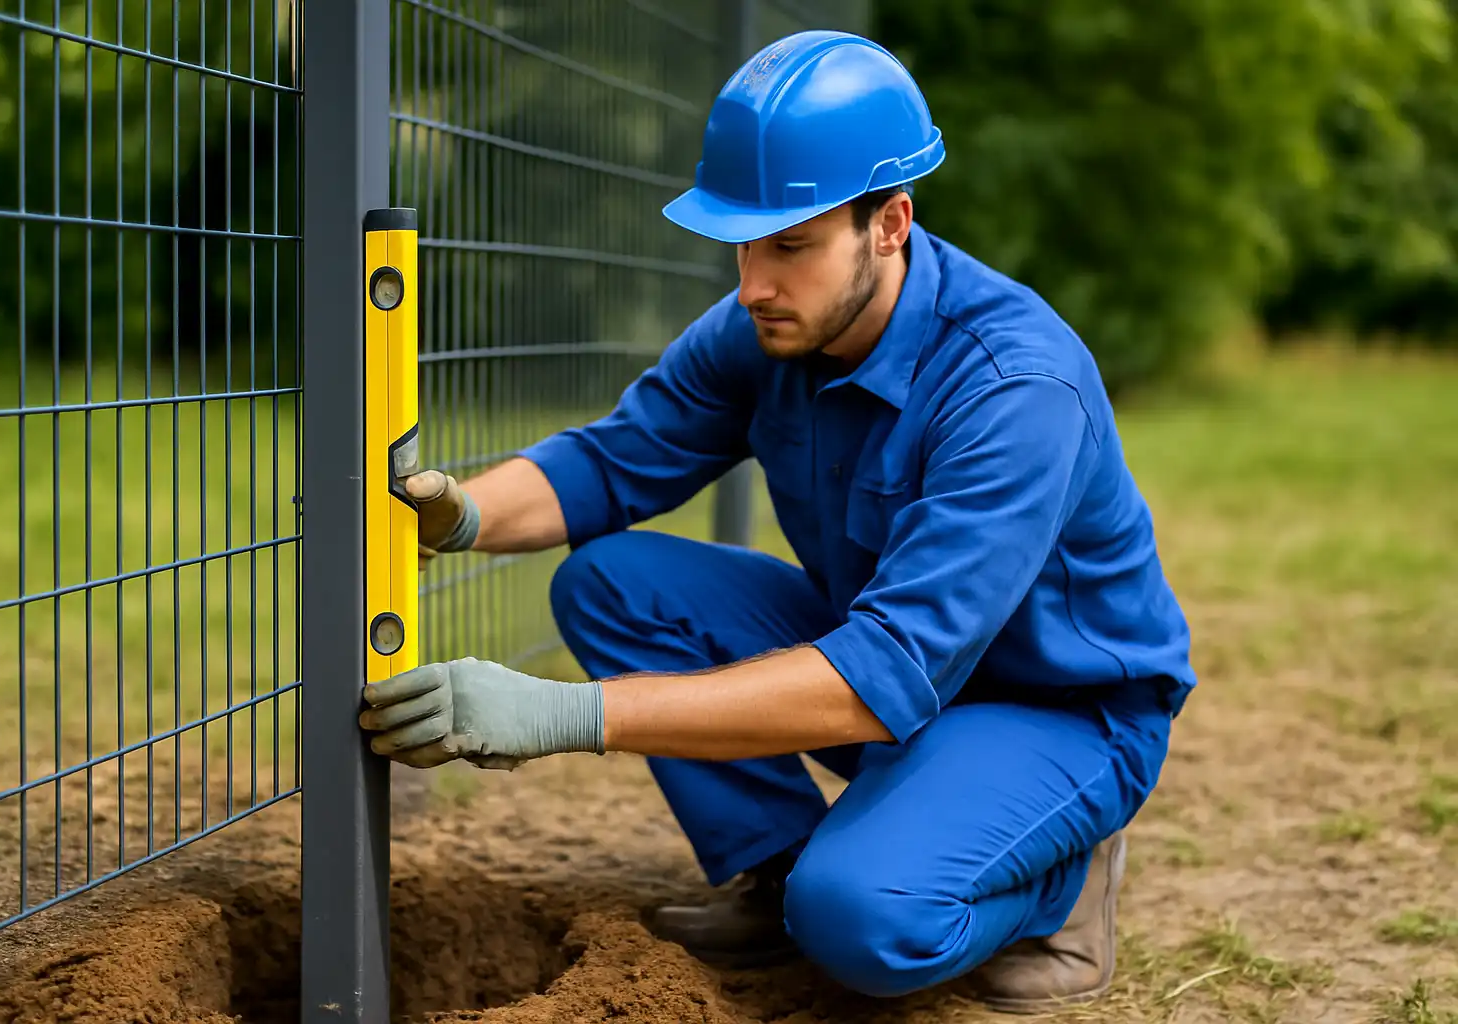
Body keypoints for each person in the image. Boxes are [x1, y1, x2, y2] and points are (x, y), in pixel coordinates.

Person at [356, 29, 1195, 1014]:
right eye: (742, 242)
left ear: (890, 223)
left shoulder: (1013, 388)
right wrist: (460, 514)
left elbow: (884, 674)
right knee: (611, 580)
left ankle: (1056, 882)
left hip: (1059, 711)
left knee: (864, 918)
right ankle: (781, 868)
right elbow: (617, 459)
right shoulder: (772, 324)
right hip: (893, 676)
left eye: (790, 245)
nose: (753, 282)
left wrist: (562, 715)